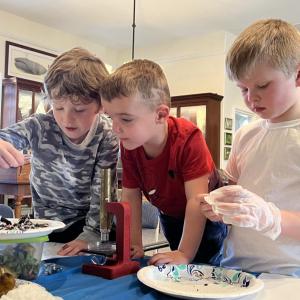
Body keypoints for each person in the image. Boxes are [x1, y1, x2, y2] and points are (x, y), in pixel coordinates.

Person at [100, 59, 227, 265]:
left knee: (202, 267)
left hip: (206, 218)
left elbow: (197, 201)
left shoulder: (189, 138)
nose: (115, 128)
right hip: (169, 216)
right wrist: (135, 244)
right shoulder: (131, 144)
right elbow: (130, 195)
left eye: (126, 119)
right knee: (172, 265)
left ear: (160, 115)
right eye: (111, 118)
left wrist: (185, 253)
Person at [200, 19, 300, 276]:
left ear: (297, 75)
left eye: (263, 86)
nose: (251, 98)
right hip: (234, 268)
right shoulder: (246, 133)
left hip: (289, 274)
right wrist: (218, 206)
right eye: (243, 88)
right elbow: (233, 193)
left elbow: (261, 214)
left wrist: (270, 218)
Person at [0, 47, 119, 255]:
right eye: (58, 108)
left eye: (79, 110)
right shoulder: (40, 125)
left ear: (100, 105)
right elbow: (6, 137)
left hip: (89, 226)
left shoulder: (107, 135)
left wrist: (90, 235)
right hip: (45, 223)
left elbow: (104, 194)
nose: (66, 119)